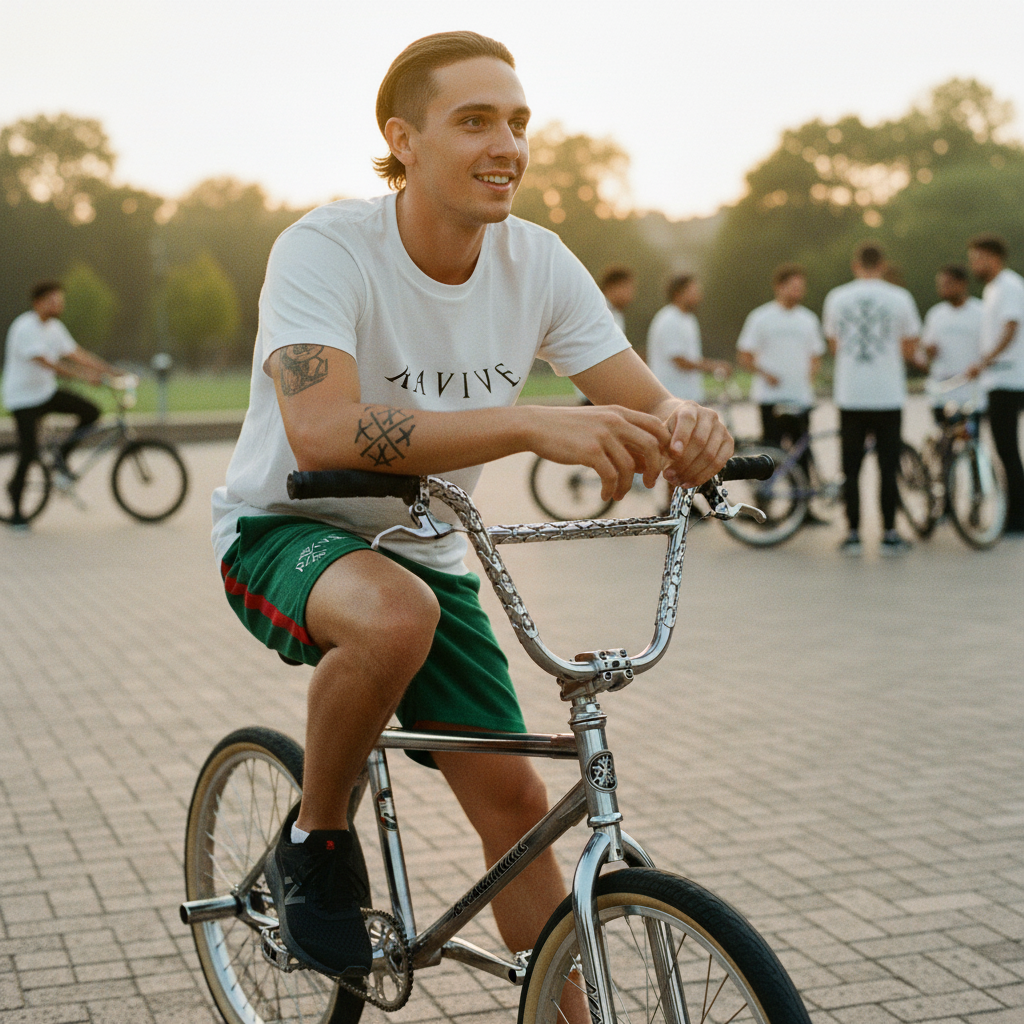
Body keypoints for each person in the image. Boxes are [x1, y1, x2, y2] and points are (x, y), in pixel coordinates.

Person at [210, 31, 733, 982]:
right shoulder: (325, 248)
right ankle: (317, 841)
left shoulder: (537, 262)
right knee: (393, 615)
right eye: (476, 121)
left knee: (516, 812)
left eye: (521, 122)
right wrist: (530, 424)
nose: (509, 145)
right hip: (286, 528)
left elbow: (651, 399)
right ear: (402, 139)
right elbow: (324, 432)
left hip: (430, 551)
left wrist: (693, 428)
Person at [823, 243, 922, 556]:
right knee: (887, 466)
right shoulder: (900, 298)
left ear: (856, 265)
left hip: (851, 395)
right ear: (882, 264)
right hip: (887, 395)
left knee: (850, 468)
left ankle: (852, 533)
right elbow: (908, 348)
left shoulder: (837, 297)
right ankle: (889, 532)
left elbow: (834, 344)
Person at [2, 281, 118, 529]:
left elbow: (76, 353)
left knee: (91, 411)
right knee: (29, 451)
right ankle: (16, 511)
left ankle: (61, 458)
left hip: (45, 393)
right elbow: (46, 362)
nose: (58, 305)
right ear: (38, 302)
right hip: (23, 399)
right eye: (53, 300)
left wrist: (110, 371)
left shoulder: (55, 328)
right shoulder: (24, 327)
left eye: (60, 301)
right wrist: (84, 377)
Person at [736, 263, 825, 484]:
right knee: (770, 454)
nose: (798, 291)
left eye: (801, 287)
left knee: (801, 453)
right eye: (793, 286)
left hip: (799, 398)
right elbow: (745, 355)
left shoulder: (808, 319)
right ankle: (766, 505)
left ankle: (803, 506)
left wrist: (809, 380)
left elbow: (816, 356)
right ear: (779, 287)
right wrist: (766, 374)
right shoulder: (761, 317)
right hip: (771, 398)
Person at [965, 235, 1024, 535]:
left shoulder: (1009, 286)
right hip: (998, 378)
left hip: (1008, 378)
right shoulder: (993, 289)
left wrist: (986, 360)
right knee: (1004, 450)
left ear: (993, 257)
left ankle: (1017, 519)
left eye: (977, 258)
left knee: (1008, 450)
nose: (973, 265)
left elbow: (1011, 328)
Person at [646, 275, 731, 404]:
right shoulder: (668, 319)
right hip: (672, 397)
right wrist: (715, 366)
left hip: (689, 395)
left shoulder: (689, 319)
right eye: (693, 292)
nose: (698, 296)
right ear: (678, 294)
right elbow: (680, 361)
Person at [921, 264, 984, 425]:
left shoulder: (981, 312)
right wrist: (929, 352)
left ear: (962, 284)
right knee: (944, 441)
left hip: (971, 389)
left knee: (969, 440)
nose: (943, 289)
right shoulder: (935, 314)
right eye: (941, 285)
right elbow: (927, 350)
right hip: (942, 390)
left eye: (948, 284)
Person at [600, 266, 635, 334]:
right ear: (611, 286)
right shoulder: (601, 311)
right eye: (626, 287)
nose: (630, 293)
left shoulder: (617, 313)